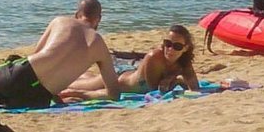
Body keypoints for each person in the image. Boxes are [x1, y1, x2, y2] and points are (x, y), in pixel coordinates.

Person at [63, 24, 200, 100]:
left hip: (127, 74)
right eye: (167, 44)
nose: (170, 49)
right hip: (118, 80)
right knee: (71, 85)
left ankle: (80, 74)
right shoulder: (154, 57)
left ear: (185, 48)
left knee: (89, 79)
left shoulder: (184, 61)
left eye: (177, 46)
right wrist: (176, 80)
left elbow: (195, 87)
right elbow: (154, 89)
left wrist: (179, 80)